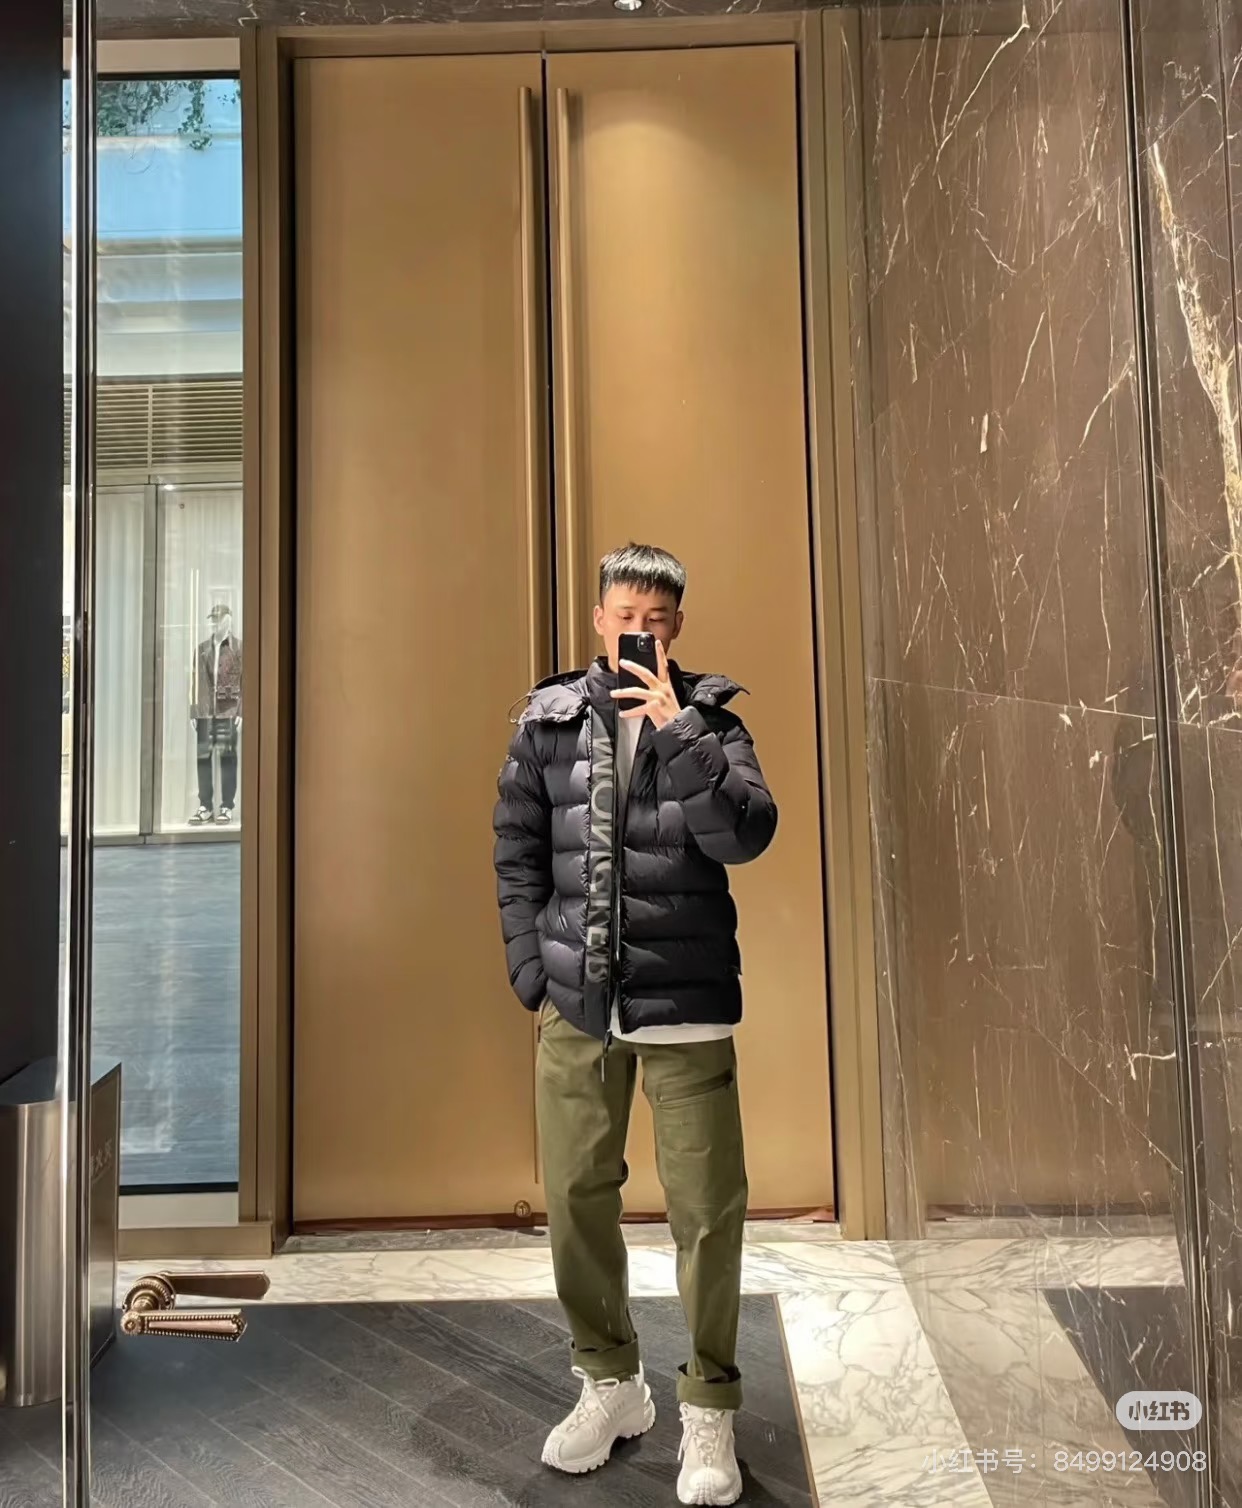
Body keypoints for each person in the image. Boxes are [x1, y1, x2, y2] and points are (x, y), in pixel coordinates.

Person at [493, 543, 777, 1507]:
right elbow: (516, 845)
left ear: (677, 626)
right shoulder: (547, 722)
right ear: (598, 619)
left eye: (655, 620)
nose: (638, 633)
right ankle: (611, 1384)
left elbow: (745, 833)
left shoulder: (714, 722)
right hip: (577, 1005)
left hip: (685, 1003)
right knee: (576, 1196)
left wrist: (678, 731)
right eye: (624, 618)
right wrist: (532, 970)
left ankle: (709, 1404)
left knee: (707, 1210)